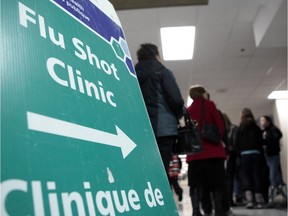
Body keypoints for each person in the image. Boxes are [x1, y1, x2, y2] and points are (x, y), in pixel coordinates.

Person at [135, 43, 184, 179]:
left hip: (141, 130)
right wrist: (179, 114)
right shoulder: (163, 72)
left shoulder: (131, 75)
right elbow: (176, 100)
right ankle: (163, 198)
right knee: (162, 170)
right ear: (156, 55)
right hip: (163, 128)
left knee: (147, 169)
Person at [187, 85, 226, 216]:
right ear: (203, 93)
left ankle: (196, 211)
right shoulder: (209, 105)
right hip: (213, 153)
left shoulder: (188, 110)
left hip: (194, 155)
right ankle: (219, 211)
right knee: (216, 184)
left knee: (196, 185)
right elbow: (220, 126)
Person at [236, 108, 265, 209]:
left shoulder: (240, 128)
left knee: (246, 177)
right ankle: (259, 201)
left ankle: (249, 201)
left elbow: (236, 143)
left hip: (244, 155)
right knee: (256, 176)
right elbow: (261, 142)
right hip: (256, 154)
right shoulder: (256, 128)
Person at [260, 115, 287, 206]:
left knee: (272, 177)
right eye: (261, 120)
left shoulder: (273, 130)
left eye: (263, 120)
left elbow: (275, 138)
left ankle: (271, 199)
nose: (261, 122)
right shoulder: (264, 132)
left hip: (273, 155)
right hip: (267, 156)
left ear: (268, 121)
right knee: (278, 178)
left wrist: (267, 143)